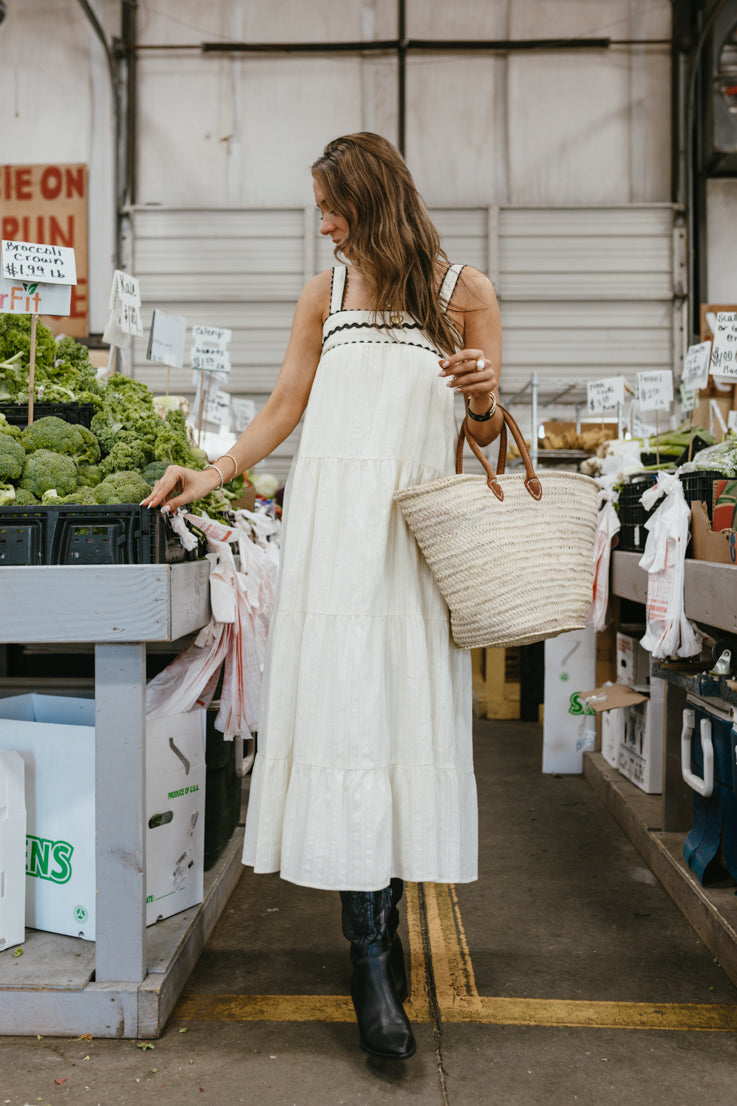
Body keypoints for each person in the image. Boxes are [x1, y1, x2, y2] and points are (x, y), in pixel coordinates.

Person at [143, 132, 503, 1061]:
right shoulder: (324, 297)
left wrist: (483, 398)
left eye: (331, 207)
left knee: (398, 732)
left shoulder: (464, 294)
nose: (324, 225)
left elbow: (489, 443)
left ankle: (378, 949)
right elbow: (282, 408)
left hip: (414, 552)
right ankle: (370, 961)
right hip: (335, 551)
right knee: (348, 731)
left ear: (372, 198)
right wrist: (210, 472)